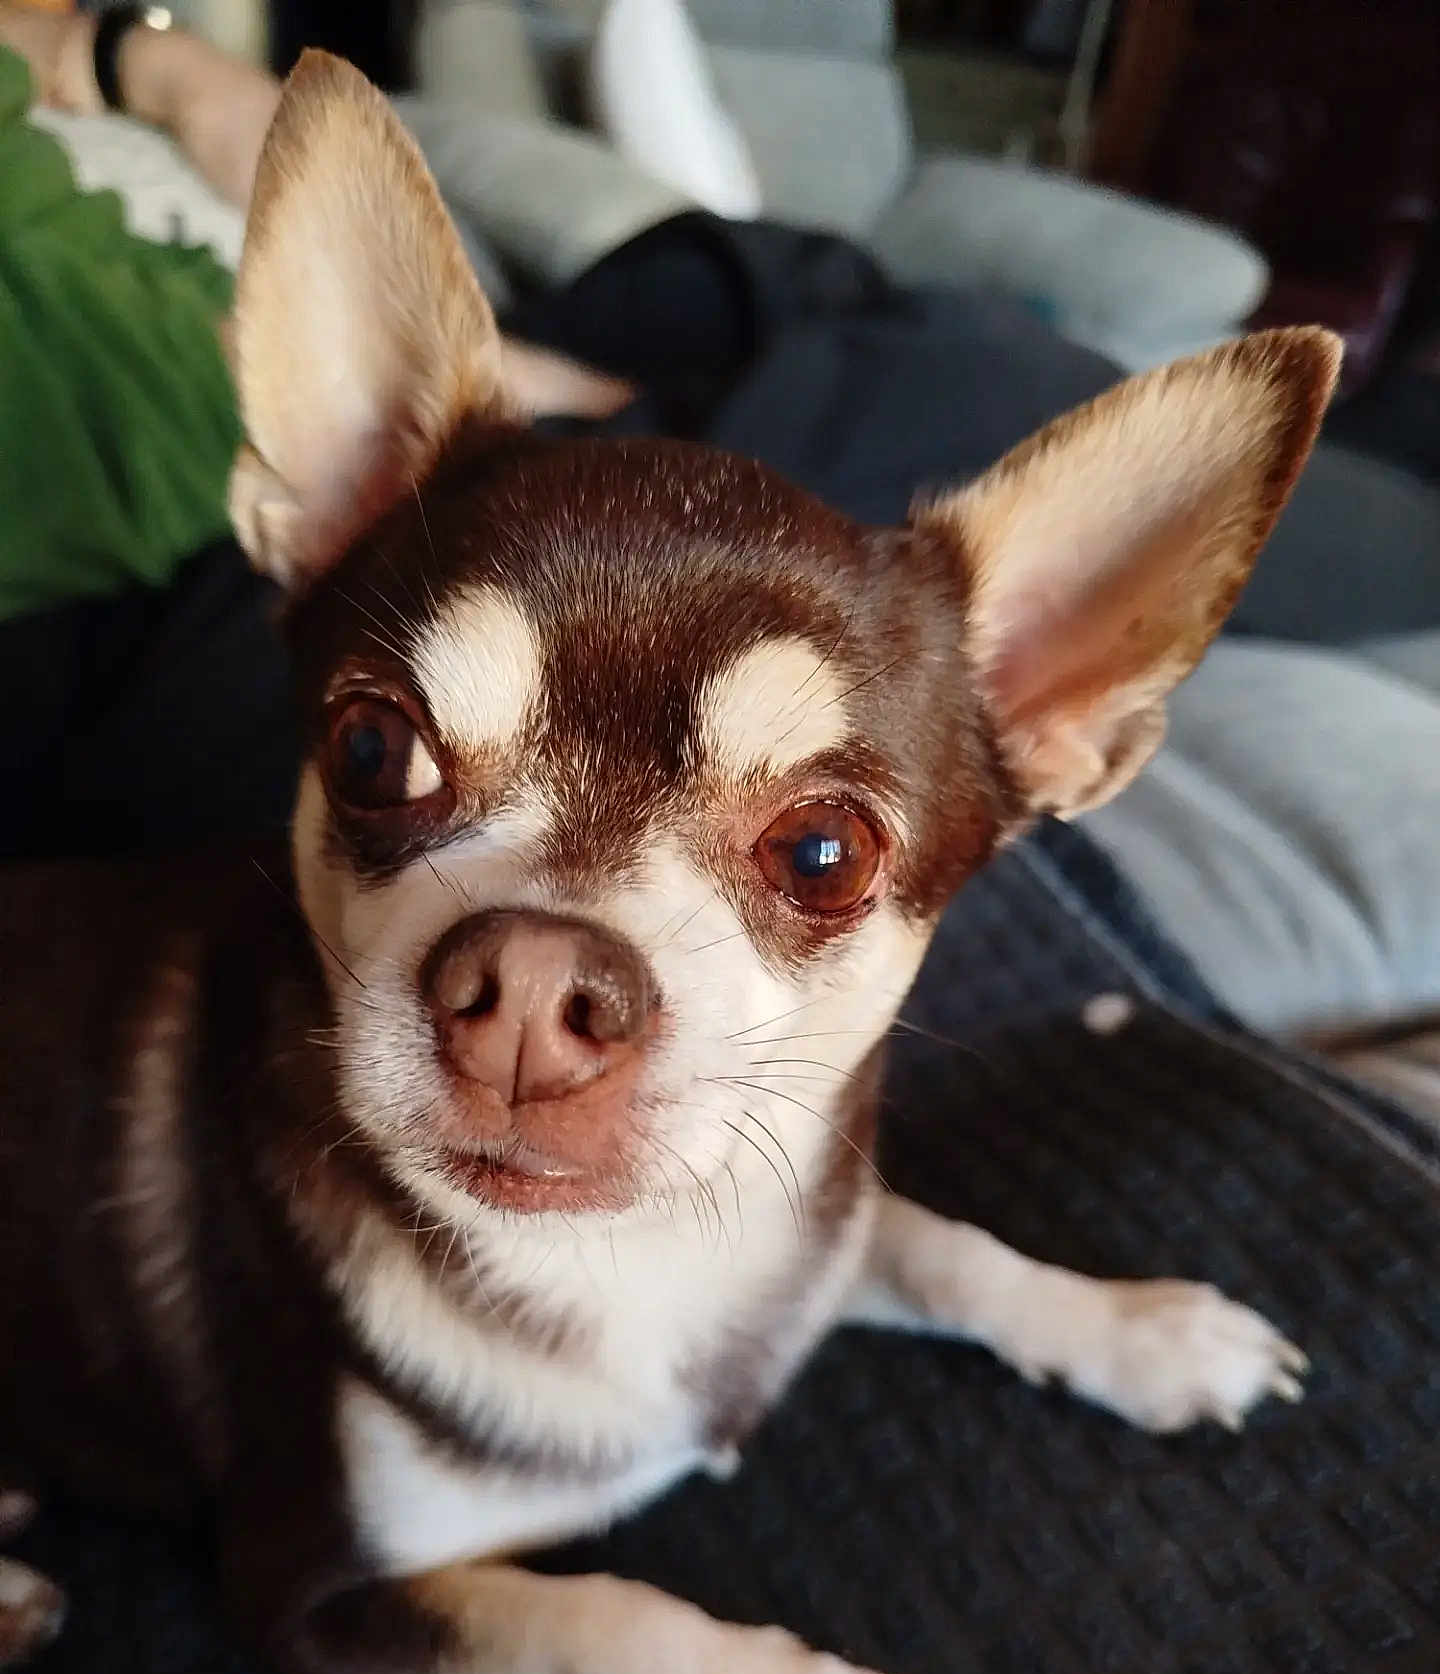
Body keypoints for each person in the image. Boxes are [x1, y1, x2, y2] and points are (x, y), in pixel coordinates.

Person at [2, 3, 1439, 1056]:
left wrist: (140, 56)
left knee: (844, 314)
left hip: (470, 437)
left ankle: (699, 288)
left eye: (813, 858)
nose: (535, 1011)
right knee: (929, 354)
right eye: (393, 764)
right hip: (172, 613)